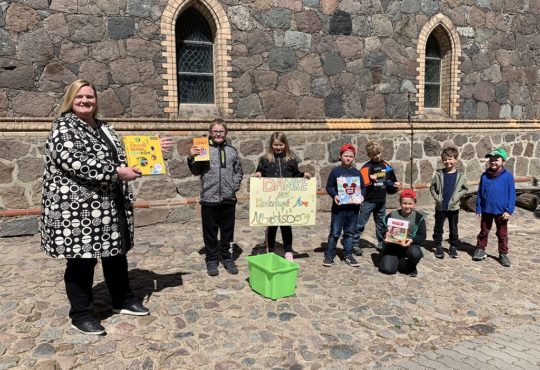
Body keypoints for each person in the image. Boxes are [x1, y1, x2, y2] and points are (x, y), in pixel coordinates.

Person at [41, 79, 174, 335]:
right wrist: (116, 172)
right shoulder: (64, 127)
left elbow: (123, 154)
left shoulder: (104, 127)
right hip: (77, 211)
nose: (86, 101)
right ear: (71, 99)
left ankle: (122, 300)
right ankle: (80, 314)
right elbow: (75, 162)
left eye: (90, 97)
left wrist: (152, 147)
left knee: (115, 254)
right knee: (82, 261)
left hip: (108, 206)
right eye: (80, 97)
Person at [188, 119, 243, 276]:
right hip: (209, 197)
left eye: (221, 131)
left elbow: (238, 170)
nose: (218, 134)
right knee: (210, 232)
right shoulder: (202, 149)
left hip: (228, 198)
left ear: (226, 133)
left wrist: (234, 186)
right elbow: (196, 171)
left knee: (227, 231)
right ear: (210, 133)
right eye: (215, 131)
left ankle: (227, 257)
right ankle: (212, 259)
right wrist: (191, 157)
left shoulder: (232, 151)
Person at [253, 132, 311, 261]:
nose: (278, 147)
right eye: (275, 145)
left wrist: (303, 175)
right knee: (272, 225)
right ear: (271, 145)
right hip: (271, 199)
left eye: (281, 145)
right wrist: (258, 174)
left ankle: (288, 251)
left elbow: (295, 174)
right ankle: (271, 250)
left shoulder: (291, 159)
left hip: (286, 200)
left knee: (286, 226)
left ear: (285, 145)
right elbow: (260, 172)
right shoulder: (265, 159)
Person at [351, 141, 400, 255]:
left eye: (379, 153)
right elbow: (361, 186)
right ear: (369, 156)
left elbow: (391, 182)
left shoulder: (386, 167)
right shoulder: (366, 168)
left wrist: (395, 186)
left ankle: (381, 242)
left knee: (381, 223)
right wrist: (369, 178)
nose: (377, 156)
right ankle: (354, 243)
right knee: (360, 223)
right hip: (368, 201)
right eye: (374, 155)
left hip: (381, 201)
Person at [323, 144, 365, 267]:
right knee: (335, 233)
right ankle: (329, 255)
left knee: (350, 233)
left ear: (354, 158)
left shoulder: (357, 173)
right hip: (339, 209)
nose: (348, 158)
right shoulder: (335, 172)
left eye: (351, 156)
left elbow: (362, 187)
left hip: (353, 209)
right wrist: (334, 195)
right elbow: (329, 186)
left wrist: (362, 196)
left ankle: (348, 255)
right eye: (346, 156)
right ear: (340, 156)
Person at [473, 148, 515, 267]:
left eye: (496, 159)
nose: (493, 162)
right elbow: (480, 192)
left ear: (503, 161)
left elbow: (512, 194)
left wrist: (509, 210)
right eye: (491, 160)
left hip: (502, 212)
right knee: (483, 231)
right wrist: (479, 208)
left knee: (502, 234)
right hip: (486, 210)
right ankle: (480, 249)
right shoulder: (485, 176)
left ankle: (503, 254)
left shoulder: (507, 176)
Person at [429, 146, 469, 259]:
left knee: (453, 228)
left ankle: (453, 246)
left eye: (450, 159)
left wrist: (457, 196)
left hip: (454, 207)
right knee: (438, 228)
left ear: (456, 160)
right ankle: (438, 246)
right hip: (441, 206)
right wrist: (437, 198)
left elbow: (465, 189)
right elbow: (432, 188)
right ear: (442, 160)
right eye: (445, 159)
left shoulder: (460, 176)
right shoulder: (438, 174)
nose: (448, 161)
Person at [379, 189, 426, 277]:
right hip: (392, 245)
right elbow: (382, 229)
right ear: (400, 203)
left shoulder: (418, 218)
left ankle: (411, 266)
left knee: (416, 253)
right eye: (404, 203)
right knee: (387, 269)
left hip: (409, 246)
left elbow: (422, 236)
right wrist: (385, 236)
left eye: (410, 203)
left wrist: (411, 240)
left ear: (414, 203)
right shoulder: (392, 215)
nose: (407, 206)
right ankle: (398, 260)